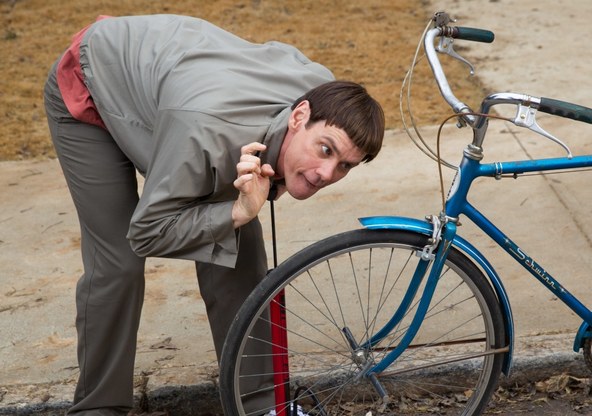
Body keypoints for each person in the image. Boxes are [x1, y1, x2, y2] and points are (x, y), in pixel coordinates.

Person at [44, 14, 384, 416]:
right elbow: (147, 233)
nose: (328, 174)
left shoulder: (323, 94)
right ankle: (97, 409)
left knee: (239, 244)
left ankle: (260, 407)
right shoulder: (202, 129)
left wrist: (239, 213)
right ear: (299, 117)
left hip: (177, 96)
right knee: (118, 263)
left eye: (345, 166)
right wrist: (238, 209)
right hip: (92, 83)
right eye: (325, 150)